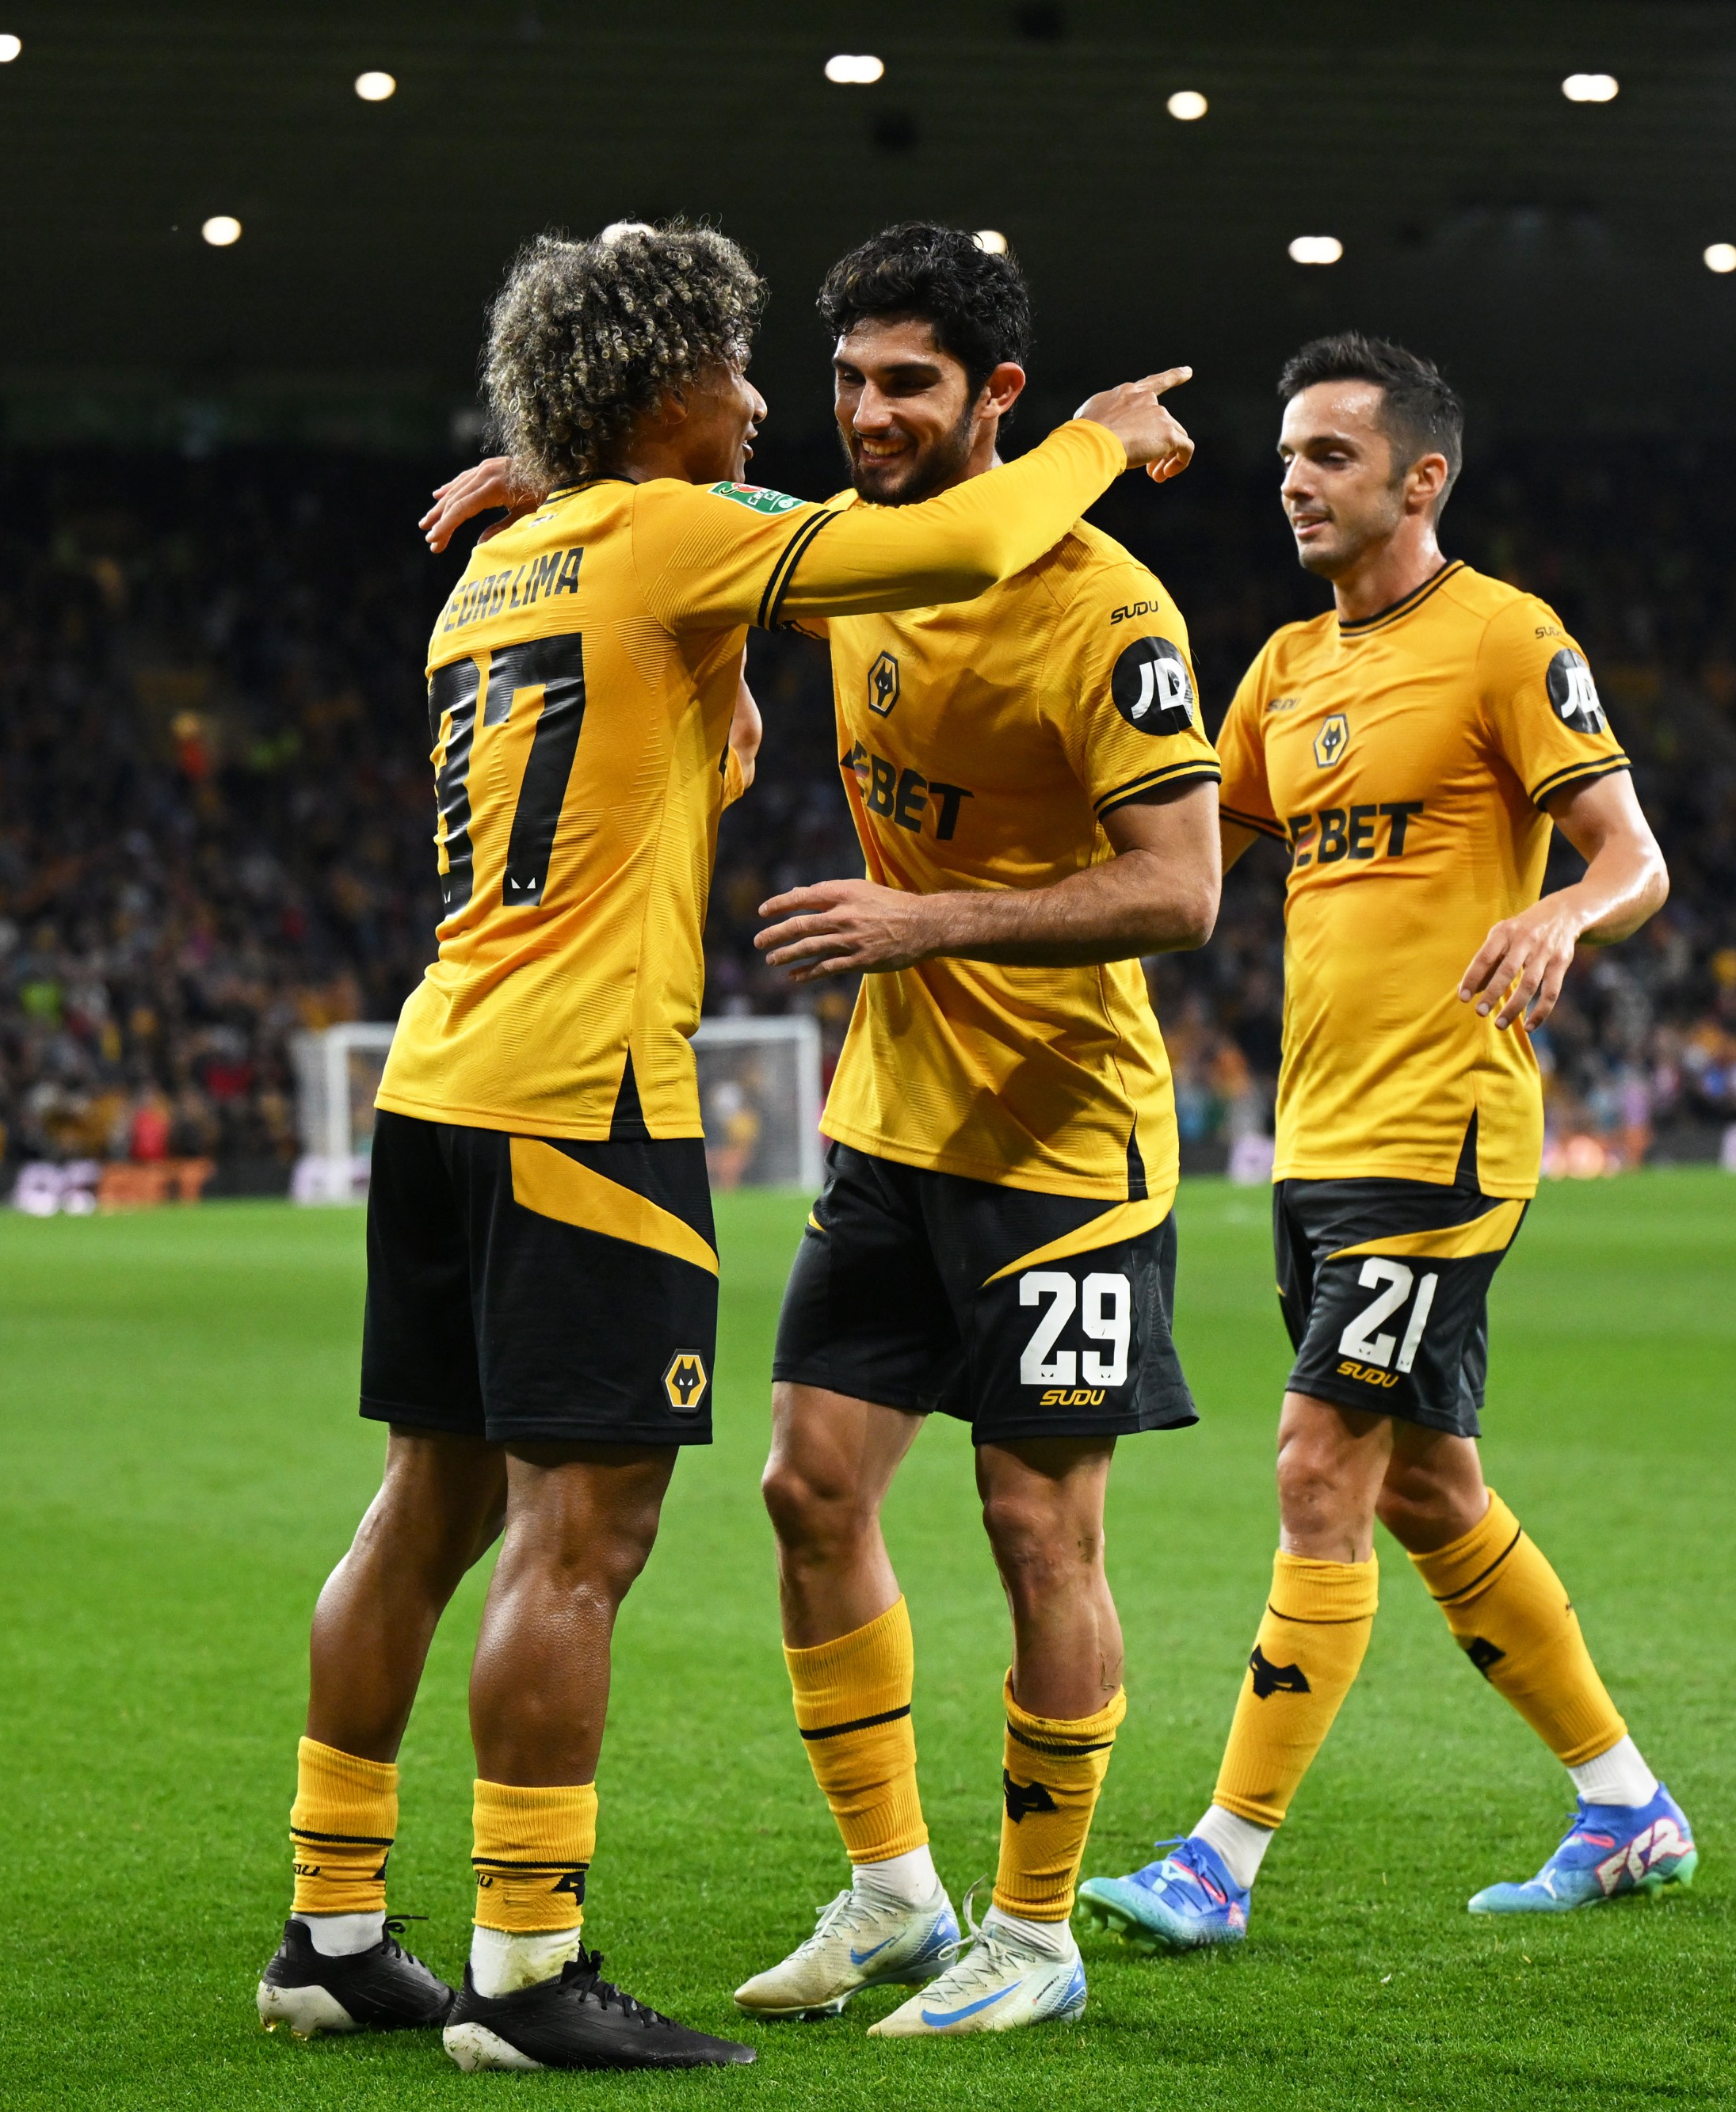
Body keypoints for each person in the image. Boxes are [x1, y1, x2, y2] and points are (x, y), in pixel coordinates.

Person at [259, 217, 1196, 2074]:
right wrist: (1096, 434)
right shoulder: (686, 538)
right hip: (588, 1099)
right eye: (759, 370)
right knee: (581, 1527)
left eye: (857, 378)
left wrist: (571, 482)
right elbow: (948, 533)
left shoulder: (507, 568)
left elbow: (679, 614)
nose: (788, 403)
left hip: (442, 1081)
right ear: (666, 391)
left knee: (424, 1498)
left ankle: (335, 1924)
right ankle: (526, 1967)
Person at [1079, 334, 1691, 1952]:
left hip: (1443, 1129)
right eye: (1285, 455)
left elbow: (1633, 854)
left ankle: (1220, 1857)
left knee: (1315, 1464)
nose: (1291, 478)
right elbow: (1179, 871)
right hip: (1313, 1141)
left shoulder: (1503, 637)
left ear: (1421, 477)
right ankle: (1625, 1802)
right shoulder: (1278, 668)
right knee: (1428, 1486)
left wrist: (1566, 913)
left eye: (1329, 456)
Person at [728, 224, 1221, 2039]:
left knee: (1036, 1526)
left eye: (905, 383)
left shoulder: (1108, 612)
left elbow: (1180, 892)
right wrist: (542, 478)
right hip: (894, 1120)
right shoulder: (859, 555)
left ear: (995, 397)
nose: (865, 412)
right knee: (807, 1487)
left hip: (1064, 1139)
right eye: (848, 377)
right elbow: (708, 499)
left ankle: (1034, 1922)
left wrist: (920, 919)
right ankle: (888, 1891)